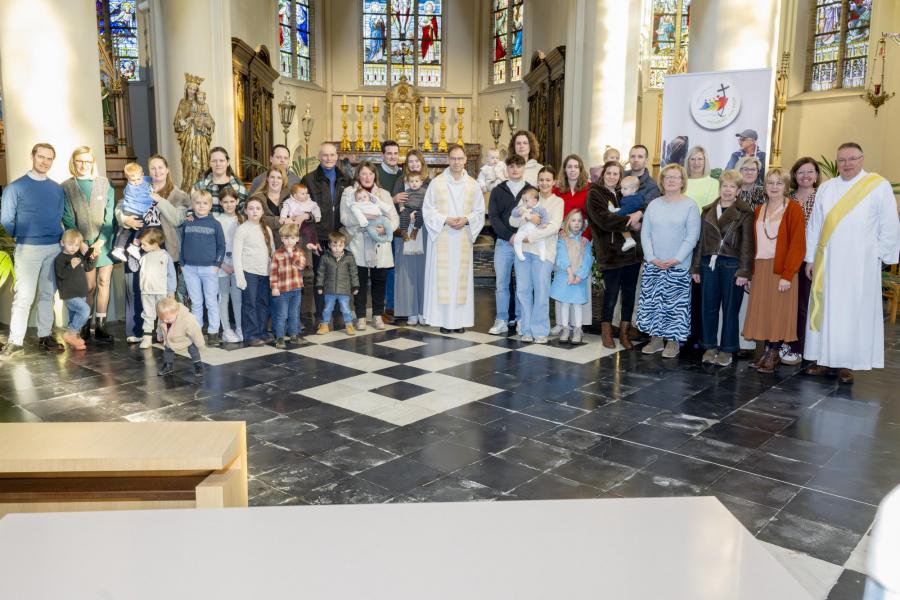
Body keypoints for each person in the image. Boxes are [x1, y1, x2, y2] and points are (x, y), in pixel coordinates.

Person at [804, 142, 900, 384]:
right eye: (842, 160)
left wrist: (880, 255)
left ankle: (847, 363)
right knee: (826, 309)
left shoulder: (877, 186)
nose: (846, 164)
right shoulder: (827, 187)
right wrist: (810, 258)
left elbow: (890, 223)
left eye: (851, 159)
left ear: (862, 159)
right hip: (828, 262)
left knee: (851, 311)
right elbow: (815, 224)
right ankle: (823, 359)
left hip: (860, 264)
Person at [0, 143, 66, 358]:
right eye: (41, 157)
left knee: (48, 294)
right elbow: (6, 219)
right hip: (28, 248)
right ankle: (15, 341)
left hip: (54, 247)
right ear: (32, 156)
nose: (44, 161)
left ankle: (45, 336)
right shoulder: (15, 187)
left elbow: (59, 216)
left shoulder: (56, 189)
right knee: (24, 296)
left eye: (49, 158)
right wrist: (24, 235)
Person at [119, 154, 190, 344]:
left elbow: (177, 219)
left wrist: (158, 200)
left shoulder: (179, 195)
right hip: (139, 245)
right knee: (137, 288)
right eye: (153, 168)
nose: (157, 171)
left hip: (165, 248)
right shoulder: (139, 185)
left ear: (167, 170)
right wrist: (124, 219)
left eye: (160, 167)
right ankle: (137, 331)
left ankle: (166, 332)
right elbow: (121, 207)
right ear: (148, 171)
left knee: (165, 293)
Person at [742, 168, 806, 374]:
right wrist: (750, 272)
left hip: (782, 269)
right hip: (761, 268)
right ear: (765, 186)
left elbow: (798, 245)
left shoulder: (793, 209)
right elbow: (752, 243)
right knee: (764, 311)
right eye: (770, 182)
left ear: (786, 187)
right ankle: (766, 352)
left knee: (779, 312)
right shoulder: (759, 209)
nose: (774, 187)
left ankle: (773, 353)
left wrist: (788, 275)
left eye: (779, 183)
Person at [636, 163, 701, 359]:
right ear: (662, 182)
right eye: (667, 177)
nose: (671, 180)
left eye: (675, 177)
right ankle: (655, 340)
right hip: (654, 264)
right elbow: (645, 234)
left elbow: (692, 236)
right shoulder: (654, 205)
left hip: (678, 265)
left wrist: (676, 259)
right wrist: (651, 258)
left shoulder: (690, 205)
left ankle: (673, 342)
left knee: (675, 306)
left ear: (682, 182)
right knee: (652, 303)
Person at [690, 170, 754, 367]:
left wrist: (744, 271)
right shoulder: (708, 210)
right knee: (708, 307)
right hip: (708, 264)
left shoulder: (745, 213)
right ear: (720, 188)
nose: (727, 190)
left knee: (730, 308)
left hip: (731, 265)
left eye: (732, 187)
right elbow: (700, 242)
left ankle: (727, 349)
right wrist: (695, 268)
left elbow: (747, 244)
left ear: (738, 191)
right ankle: (709, 346)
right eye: (724, 186)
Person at [422, 144, 485, 333]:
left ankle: (459, 322)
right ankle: (443, 321)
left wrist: (467, 219)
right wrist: (445, 219)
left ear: (465, 160)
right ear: (448, 160)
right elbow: (428, 210)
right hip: (443, 235)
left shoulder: (473, 185)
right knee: (443, 280)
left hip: (462, 237)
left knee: (460, 280)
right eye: (453, 158)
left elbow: (479, 211)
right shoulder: (437, 183)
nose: (456, 162)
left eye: (460, 158)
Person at [584, 160, 643, 350]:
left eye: (615, 174)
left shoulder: (623, 192)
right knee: (611, 294)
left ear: (620, 176)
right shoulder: (594, 193)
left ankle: (624, 333)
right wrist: (630, 220)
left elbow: (642, 204)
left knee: (629, 294)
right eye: (608, 173)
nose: (612, 177)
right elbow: (604, 220)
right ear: (603, 174)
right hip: (610, 254)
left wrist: (639, 213)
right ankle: (606, 332)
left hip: (632, 254)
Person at [61, 146, 116, 344]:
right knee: (89, 287)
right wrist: (82, 244)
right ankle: (84, 324)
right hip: (82, 245)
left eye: (87, 161)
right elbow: (67, 217)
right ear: (73, 162)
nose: (83, 165)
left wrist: (101, 242)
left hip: (104, 242)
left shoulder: (104, 183)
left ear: (93, 163)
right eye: (79, 161)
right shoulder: (66, 186)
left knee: (104, 282)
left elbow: (110, 214)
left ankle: (100, 326)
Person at [339, 162, 399, 331]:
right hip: (358, 242)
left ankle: (378, 315)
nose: (367, 177)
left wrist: (385, 228)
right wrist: (362, 218)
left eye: (370, 174)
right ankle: (361, 317)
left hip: (380, 242)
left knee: (380, 281)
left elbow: (394, 218)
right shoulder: (349, 193)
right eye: (364, 174)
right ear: (358, 175)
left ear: (375, 176)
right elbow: (344, 218)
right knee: (360, 282)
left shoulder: (384, 194)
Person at [510, 167, 564, 343]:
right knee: (523, 290)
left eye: (548, 180)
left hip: (544, 252)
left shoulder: (558, 202)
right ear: (537, 181)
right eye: (541, 179)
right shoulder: (530, 197)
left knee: (541, 291)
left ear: (553, 182)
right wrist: (523, 211)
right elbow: (512, 220)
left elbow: (553, 227)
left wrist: (530, 237)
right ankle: (526, 329)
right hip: (524, 251)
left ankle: (540, 330)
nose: (544, 183)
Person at [302, 142, 352, 327]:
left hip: (339, 236)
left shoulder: (346, 179)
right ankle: (321, 316)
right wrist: (312, 238)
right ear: (319, 156)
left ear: (337, 156)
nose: (329, 158)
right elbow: (304, 209)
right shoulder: (309, 179)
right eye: (325, 155)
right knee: (321, 277)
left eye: (332, 155)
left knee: (340, 276)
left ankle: (339, 315)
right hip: (320, 236)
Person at [487, 154, 532, 335]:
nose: (515, 169)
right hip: (503, 243)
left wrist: (520, 236)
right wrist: (509, 235)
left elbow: (535, 215)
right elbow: (493, 217)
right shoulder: (498, 191)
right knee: (501, 284)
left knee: (523, 284)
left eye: (518, 166)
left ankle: (521, 320)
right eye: (511, 166)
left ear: (523, 168)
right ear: (506, 169)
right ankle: (501, 319)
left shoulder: (531, 190)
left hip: (524, 244)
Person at [783, 157, 821, 365]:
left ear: (816, 175)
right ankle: (786, 341)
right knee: (788, 303)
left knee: (805, 304)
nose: (805, 176)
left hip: (812, 259)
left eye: (810, 172)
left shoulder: (823, 197)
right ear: (794, 175)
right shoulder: (787, 199)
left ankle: (800, 347)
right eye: (801, 172)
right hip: (789, 257)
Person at [552, 154, 592, 336]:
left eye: (576, 166)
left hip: (582, 238)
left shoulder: (589, 189)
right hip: (562, 238)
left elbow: (592, 215)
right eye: (569, 166)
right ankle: (561, 323)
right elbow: (553, 212)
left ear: (581, 169)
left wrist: (587, 236)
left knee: (579, 280)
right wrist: (559, 229)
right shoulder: (557, 189)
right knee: (562, 278)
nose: (573, 170)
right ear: (565, 169)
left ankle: (578, 324)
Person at [180, 190, 225, 346]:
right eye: (198, 203)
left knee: (211, 301)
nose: (201, 206)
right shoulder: (187, 222)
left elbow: (221, 247)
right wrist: (182, 263)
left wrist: (217, 264)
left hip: (209, 269)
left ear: (210, 205)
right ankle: (196, 331)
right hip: (189, 269)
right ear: (193, 204)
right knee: (196, 302)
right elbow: (182, 243)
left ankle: (213, 332)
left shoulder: (215, 224)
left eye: (205, 203)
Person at [392, 150, 430, 326]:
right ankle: (410, 311)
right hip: (405, 233)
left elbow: (434, 206)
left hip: (424, 232)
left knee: (424, 272)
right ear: (406, 165)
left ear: (422, 163)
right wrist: (400, 206)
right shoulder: (400, 181)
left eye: (417, 161)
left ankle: (424, 310)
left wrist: (420, 215)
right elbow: (394, 206)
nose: (414, 164)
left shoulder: (429, 183)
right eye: (410, 161)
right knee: (406, 273)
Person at [233, 197, 275, 347]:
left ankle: (262, 331)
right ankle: (251, 334)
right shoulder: (242, 229)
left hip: (265, 273)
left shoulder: (267, 229)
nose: (254, 211)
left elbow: (272, 252)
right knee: (250, 304)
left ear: (262, 211)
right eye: (251, 208)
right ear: (245, 211)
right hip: (249, 272)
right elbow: (236, 255)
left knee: (263, 303)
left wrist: (273, 272)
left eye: (258, 208)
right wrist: (240, 277)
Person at [551, 209, 593, 344]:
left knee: (577, 304)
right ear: (568, 222)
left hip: (578, 279)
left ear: (583, 224)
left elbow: (587, 260)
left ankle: (577, 330)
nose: (576, 223)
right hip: (565, 277)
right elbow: (561, 256)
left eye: (579, 221)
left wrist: (579, 276)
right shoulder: (562, 239)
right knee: (564, 304)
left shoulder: (584, 242)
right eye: (573, 220)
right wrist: (569, 273)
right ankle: (565, 329)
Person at [54, 229, 95, 351]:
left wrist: (92, 258)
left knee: (74, 318)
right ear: (62, 243)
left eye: (77, 245)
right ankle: (71, 332)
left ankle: (74, 340)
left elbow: (88, 267)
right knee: (85, 310)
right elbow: (61, 275)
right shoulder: (60, 259)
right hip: (69, 294)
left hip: (81, 292)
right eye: (70, 244)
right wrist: (70, 266)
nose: (73, 248)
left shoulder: (79, 255)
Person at [137, 228, 176, 349]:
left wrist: (171, 291)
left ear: (154, 244)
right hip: (146, 291)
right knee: (148, 314)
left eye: (144, 244)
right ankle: (147, 338)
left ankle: (162, 334)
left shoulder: (165, 256)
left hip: (161, 291)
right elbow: (136, 268)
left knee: (163, 315)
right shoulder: (143, 257)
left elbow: (171, 275)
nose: (142, 247)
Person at [269, 223, 307, 348]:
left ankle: (294, 335)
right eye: (286, 238)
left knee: (294, 314)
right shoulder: (277, 254)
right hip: (282, 290)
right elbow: (273, 272)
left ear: (297, 239)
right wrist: (274, 287)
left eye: (292, 238)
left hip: (296, 289)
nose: (289, 241)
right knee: (282, 315)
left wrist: (291, 254)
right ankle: (279, 338)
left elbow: (301, 265)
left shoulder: (300, 253)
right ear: (281, 239)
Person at [214, 188, 244, 343]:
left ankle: (239, 327)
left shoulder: (242, 219)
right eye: (225, 202)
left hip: (238, 265)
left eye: (232, 201)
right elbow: (213, 245)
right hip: (222, 265)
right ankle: (226, 329)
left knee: (237, 297)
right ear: (220, 203)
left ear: (237, 201)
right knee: (223, 296)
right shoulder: (216, 220)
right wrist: (222, 264)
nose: (229, 205)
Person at [315, 231, 359, 336]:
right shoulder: (325, 257)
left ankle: (349, 325)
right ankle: (325, 325)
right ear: (329, 245)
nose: (337, 248)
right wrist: (319, 285)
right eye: (334, 246)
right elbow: (320, 273)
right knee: (327, 309)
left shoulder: (349, 257)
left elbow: (354, 272)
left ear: (344, 245)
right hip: (329, 290)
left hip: (344, 290)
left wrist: (355, 286)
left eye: (340, 245)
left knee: (346, 309)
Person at [111, 162, 155, 261]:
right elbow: (145, 197)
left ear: (142, 175)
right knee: (142, 225)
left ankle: (119, 248)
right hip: (134, 210)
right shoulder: (131, 188)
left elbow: (148, 179)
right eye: (133, 180)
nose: (136, 182)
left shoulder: (144, 180)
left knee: (126, 230)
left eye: (138, 179)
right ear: (127, 178)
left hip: (130, 210)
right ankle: (135, 246)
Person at [155, 297, 205, 381]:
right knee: (168, 350)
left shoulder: (188, 319)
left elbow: (195, 333)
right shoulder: (164, 316)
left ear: (177, 312)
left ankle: (198, 364)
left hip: (187, 338)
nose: (165, 321)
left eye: (168, 319)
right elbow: (160, 325)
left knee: (193, 350)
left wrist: (200, 344)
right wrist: (159, 334)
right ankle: (168, 365)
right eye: (163, 319)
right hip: (171, 338)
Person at [379, 140, 402, 323]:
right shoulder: (376, 174)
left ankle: (401, 305)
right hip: (383, 229)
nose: (393, 156)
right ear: (383, 155)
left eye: (395, 153)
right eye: (389, 153)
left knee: (399, 270)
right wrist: (393, 200)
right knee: (388, 270)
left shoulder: (402, 174)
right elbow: (371, 199)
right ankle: (388, 308)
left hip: (402, 229)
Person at [193, 147, 248, 212]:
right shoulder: (199, 186)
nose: (218, 164)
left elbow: (244, 213)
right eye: (214, 161)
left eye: (221, 160)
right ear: (209, 163)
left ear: (228, 162)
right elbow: (192, 210)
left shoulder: (239, 187)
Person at [251, 166, 291, 248]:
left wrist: (307, 216)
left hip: (288, 245)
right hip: (264, 244)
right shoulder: (257, 198)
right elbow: (256, 219)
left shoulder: (291, 196)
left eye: (279, 178)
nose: (275, 181)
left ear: (283, 180)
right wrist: (281, 221)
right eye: (272, 177)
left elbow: (302, 212)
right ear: (267, 179)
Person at [510, 188, 549, 262]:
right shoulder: (522, 207)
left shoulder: (540, 208)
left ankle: (543, 254)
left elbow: (545, 216)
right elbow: (513, 213)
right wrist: (519, 212)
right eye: (523, 200)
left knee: (541, 240)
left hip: (535, 229)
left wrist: (544, 224)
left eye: (526, 201)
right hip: (524, 229)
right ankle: (519, 254)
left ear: (535, 201)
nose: (524, 203)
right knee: (517, 238)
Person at [280, 182, 321, 252]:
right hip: (292, 222)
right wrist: (283, 218)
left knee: (310, 231)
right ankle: (290, 247)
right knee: (290, 234)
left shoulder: (308, 201)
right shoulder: (289, 202)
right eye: (303, 194)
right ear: (295, 195)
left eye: (306, 193)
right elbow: (284, 210)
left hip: (304, 222)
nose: (306, 195)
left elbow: (315, 208)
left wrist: (317, 217)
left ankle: (310, 243)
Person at [616, 176, 645, 252]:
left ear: (634, 189)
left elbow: (625, 210)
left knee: (621, 223)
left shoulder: (630, 200)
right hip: (634, 218)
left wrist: (616, 215)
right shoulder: (636, 196)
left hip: (631, 220)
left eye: (625, 189)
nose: (622, 191)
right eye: (621, 188)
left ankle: (629, 239)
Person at [685, 145, 719, 210]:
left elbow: (712, 209)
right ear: (688, 161)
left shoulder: (714, 183)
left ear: (705, 161)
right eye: (692, 159)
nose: (696, 163)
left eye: (700, 159)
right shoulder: (681, 182)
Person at [397, 172, 426, 241]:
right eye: (411, 181)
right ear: (408, 183)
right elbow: (401, 200)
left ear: (421, 182)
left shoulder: (424, 191)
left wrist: (423, 208)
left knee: (422, 215)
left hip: (419, 209)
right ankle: (404, 232)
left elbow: (427, 201)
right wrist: (401, 206)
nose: (414, 183)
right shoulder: (407, 191)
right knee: (403, 215)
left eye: (416, 181)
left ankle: (415, 229)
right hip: (408, 208)